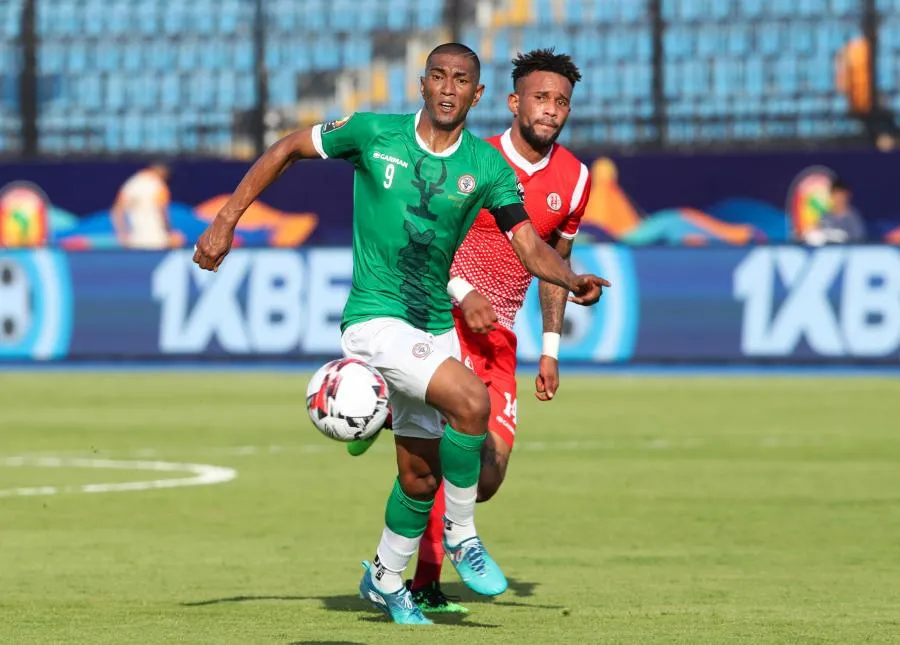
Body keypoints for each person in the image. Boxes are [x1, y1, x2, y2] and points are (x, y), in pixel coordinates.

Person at [192, 42, 609, 626]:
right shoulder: (372, 133)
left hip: (435, 327)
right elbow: (288, 147)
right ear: (422, 82)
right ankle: (463, 535)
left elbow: (528, 245)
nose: (447, 88)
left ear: (477, 95)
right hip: (375, 318)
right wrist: (226, 219)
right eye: (438, 76)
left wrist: (570, 278)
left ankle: (387, 579)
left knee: (421, 475)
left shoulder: (487, 168)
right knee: (471, 402)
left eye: (460, 80)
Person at [347, 48, 591, 614]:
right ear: (512, 102)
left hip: (501, 337)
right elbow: (426, 242)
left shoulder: (576, 179)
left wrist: (551, 348)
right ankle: (423, 581)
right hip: (445, 320)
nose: (550, 109)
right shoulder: (473, 158)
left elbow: (550, 260)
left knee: (486, 476)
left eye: (561, 102)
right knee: (444, 445)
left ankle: (385, 411)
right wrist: (462, 291)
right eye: (540, 98)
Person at [111, 164, 175, 249]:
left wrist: (122, 233)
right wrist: (170, 232)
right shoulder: (158, 185)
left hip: (135, 240)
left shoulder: (131, 184)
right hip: (157, 239)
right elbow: (163, 212)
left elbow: (117, 210)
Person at [805, 177, 866, 245]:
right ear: (831, 196)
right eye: (836, 195)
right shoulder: (825, 216)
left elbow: (859, 240)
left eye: (841, 195)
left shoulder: (854, 218)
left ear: (847, 195)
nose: (839, 199)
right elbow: (818, 237)